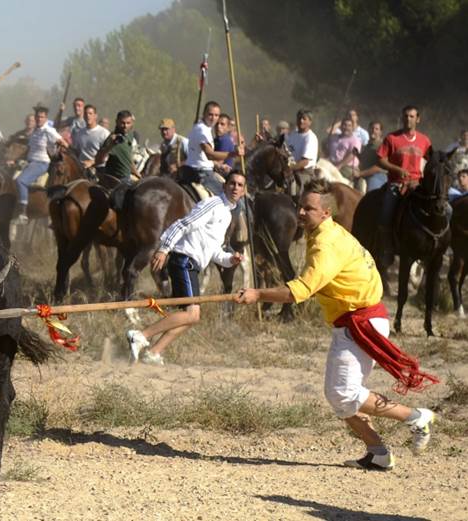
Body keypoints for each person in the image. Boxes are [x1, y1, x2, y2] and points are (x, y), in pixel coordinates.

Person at [236, 179, 437, 470]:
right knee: (340, 396)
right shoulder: (323, 233)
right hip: (355, 321)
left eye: (309, 208)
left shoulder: (326, 245)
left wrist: (257, 294)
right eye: (300, 206)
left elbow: (299, 292)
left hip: (361, 322)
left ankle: (416, 417)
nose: (301, 212)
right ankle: (378, 453)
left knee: (343, 393)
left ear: (326, 212)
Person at [126, 172, 246, 365]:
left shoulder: (226, 215)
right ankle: (140, 335)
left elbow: (215, 251)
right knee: (191, 313)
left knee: (192, 317)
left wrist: (230, 259)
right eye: (232, 183)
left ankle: (154, 352)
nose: (235, 187)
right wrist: (164, 248)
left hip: (192, 264)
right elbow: (184, 224)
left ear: (243, 191)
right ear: (224, 186)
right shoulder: (213, 204)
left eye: (240, 185)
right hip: (184, 260)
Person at [376, 105, 433, 261]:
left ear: (418, 119)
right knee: (386, 214)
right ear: (402, 118)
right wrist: (397, 169)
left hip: (418, 185)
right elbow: (380, 159)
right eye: (406, 116)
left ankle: (437, 246)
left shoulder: (425, 141)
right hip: (397, 183)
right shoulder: (391, 138)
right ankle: (386, 248)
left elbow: (431, 162)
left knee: (442, 209)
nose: (408, 119)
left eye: (411, 116)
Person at [14, 105, 69, 224]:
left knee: (21, 181)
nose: (39, 119)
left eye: (42, 117)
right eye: (37, 117)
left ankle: (22, 213)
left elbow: (64, 143)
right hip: (29, 162)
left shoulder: (48, 130)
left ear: (45, 118)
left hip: (41, 163)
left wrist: (59, 146)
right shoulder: (35, 130)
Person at [182, 101, 245, 194]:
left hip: (196, 169)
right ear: (204, 114)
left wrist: (218, 165)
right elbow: (210, 155)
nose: (213, 118)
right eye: (210, 114)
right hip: (202, 173)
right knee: (231, 198)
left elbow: (203, 156)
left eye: (216, 115)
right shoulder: (202, 131)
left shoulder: (202, 127)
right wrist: (233, 154)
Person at [94, 110, 142, 183]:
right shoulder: (112, 138)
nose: (125, 126)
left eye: (128, 123)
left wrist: (136, 173)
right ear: (117, 122)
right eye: (122, 123)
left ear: (132, 123)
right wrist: (110, 146)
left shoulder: (130, 135)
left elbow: (128, 157)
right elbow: (98, 161)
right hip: (113, 179)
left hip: (127, 177)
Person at [285, 109, 319, 194]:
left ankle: (296, 205)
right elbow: (287, 151)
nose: (301, 121)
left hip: (304, 173)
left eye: (304, 119)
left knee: (293, 191)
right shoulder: (293, 134)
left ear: (310, 122)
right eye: (299, 118)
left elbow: (304, 162)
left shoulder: (310, 137)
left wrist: (289, 169)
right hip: (291, 169)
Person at [72, 104, 110, 170]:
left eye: (90, 113)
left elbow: (107, 154)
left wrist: (92, 162)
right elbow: (76, 151)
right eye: (86, 114)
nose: (88, 116)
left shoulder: (104, 133)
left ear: (95, 116)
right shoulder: (79, 133)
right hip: (82, 168)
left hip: (99, 168)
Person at [355, 121, 388, 193]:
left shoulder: (382, 146)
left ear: (380, 132)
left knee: (370, 196)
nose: (373, 130)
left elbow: (379, 167)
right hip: (365, 175)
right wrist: (357, 155)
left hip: (378, 176)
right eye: (372, 128)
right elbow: (366, 161)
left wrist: (360, 174)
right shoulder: (368, 146)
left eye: (376, 129)